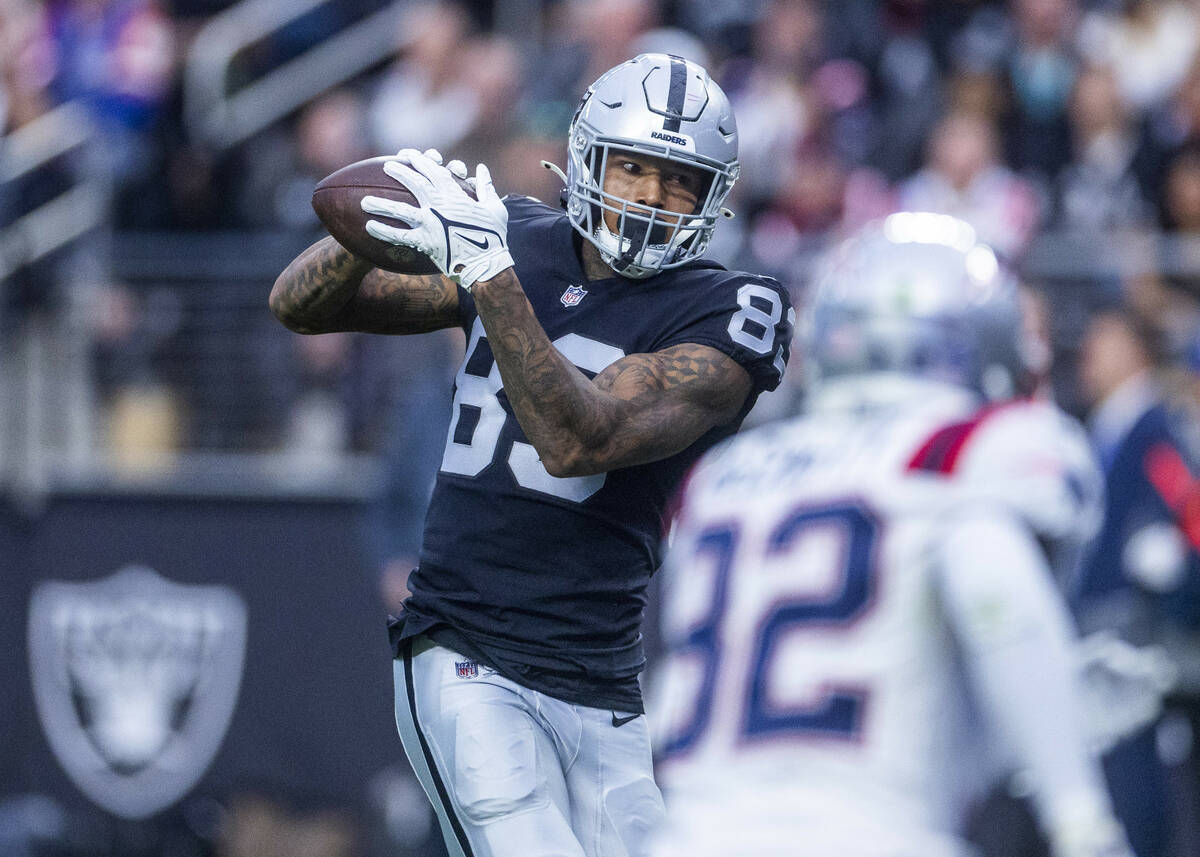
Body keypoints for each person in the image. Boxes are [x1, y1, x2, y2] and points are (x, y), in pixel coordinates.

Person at [269, 53, 793, 857]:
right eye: (634, 169)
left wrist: (490, 272)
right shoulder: (516, 235)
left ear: (714, 196)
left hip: (605, 685)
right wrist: (390, 210)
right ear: (586, 159)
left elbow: (580, 440)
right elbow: (301, 304)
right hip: (469, 652)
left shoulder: (728, 310)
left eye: (678, 181)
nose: (652, 198)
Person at [648, 212, 1131, 857]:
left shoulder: (728, 475)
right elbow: (996, 591)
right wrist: (1082, 819)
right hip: (868, 833)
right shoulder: (967, 452)